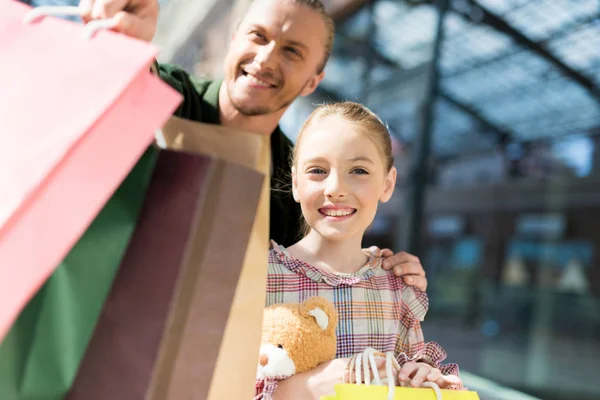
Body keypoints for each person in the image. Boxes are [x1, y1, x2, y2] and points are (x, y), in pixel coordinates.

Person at [78, 0, 429, 289]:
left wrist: (383, 272)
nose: (265, 59)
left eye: (292, 51)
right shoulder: (168, 95)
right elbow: (130, 85)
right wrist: (124, 44)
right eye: (258, 36)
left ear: (313, 81)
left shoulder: (299, 180)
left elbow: (317, 271)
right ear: (234, 39)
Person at [258, 102, 462, 400]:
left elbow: (413, 372)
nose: (336, 188)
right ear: (296, 183)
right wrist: (306, 388)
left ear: (388, 184)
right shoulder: (257, 276)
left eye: (359, 170)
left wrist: (424, 376)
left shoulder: (400, 286)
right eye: (317, 170)